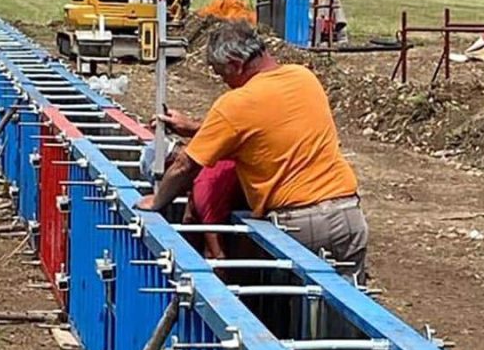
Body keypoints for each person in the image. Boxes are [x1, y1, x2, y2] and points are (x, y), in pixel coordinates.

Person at [139, 20, 368, 280]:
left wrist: (157, 201)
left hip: (299, 224)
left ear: (236, 64)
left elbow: (185, 165)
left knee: (294, 315)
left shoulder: (236, 104)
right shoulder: (304, 78)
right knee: (348, 308)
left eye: (221, 73)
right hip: (348, 214)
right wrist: (192, 127)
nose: (223, 81)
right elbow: (264, 128)